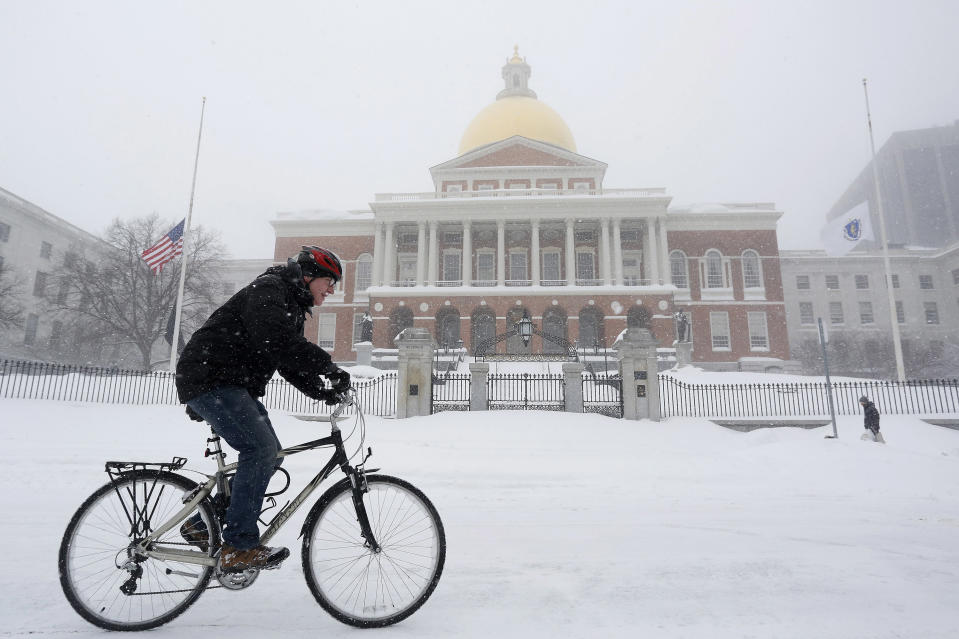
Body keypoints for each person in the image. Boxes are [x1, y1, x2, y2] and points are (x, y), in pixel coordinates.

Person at [175, 246, 351, 573]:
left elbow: (287, 363)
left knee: (272, 454)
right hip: (210, 376)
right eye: (329, 282)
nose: (331, 291)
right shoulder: (270, 289)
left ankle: (204, 525)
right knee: (260, 451)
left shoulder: (292, 306)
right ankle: (239, 547)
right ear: (309, 275)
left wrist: (322, 391)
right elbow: (276, 342)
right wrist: (328, 366)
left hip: (228, 382)